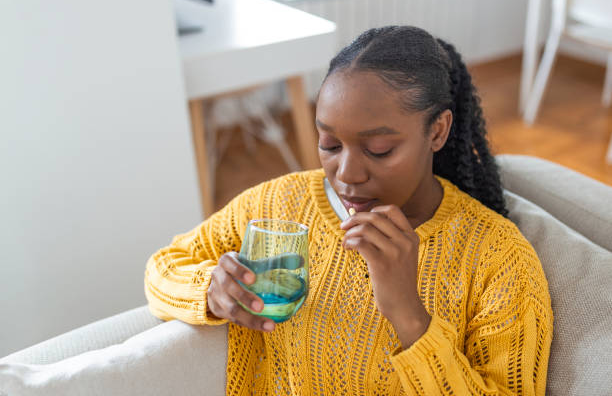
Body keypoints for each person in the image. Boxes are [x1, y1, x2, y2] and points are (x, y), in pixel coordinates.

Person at [145, 26, 553, 395]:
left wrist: (410, 318)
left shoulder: (498, 260)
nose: (347, 174)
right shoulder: (279, 205)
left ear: (438, 131)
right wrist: (212, 291)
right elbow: (162, 268)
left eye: (379, 150)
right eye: (330, 145)